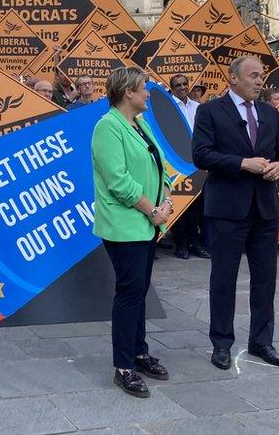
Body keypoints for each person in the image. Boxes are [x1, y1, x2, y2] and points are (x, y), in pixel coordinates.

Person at [192, 55, 279, 371]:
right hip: (226, 209)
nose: (259, 80)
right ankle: (221, 344)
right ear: (232, 78)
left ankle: (262, 341)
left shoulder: (269, 113)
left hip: (264, 209)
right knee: (223, 278)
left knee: (265, 279)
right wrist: (241, 163)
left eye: (261, 75)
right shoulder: (210, 111)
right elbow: (201, 154)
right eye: (253, 75)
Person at [92, 66, 172, 398]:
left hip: (147, 223)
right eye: (144, 88)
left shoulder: (139, 124)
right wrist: (152, 210)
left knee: (139, 291)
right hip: (126, 226)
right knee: (129, 293)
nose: (149, 93)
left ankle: (139, 352)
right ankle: (123, 365)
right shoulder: (107, 127)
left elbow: (160, 163)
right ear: (128, 92)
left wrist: (166, 199)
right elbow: (118, 181)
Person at [167, 74, 208, 260]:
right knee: (180, 204)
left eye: (185, 84)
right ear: (172, 88)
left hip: (198, 162)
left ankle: (195, 242)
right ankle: (181, 243)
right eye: (178, 85)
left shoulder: (198, 107)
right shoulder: (167, 107)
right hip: (177, 162)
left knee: (197, 205)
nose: (182, 88)